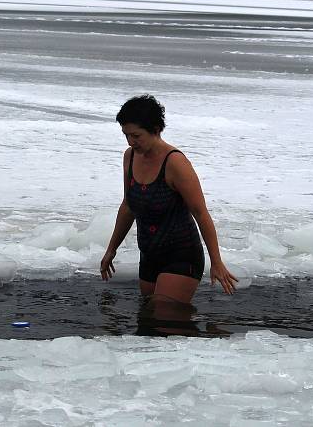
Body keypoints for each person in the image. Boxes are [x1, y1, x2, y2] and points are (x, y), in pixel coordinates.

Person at [100, 94, 237, 305]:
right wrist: (111, 249)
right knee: (148, 322)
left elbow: (200, 213)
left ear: (156, 129)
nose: (130, 141)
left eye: (136, 135)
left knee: (165, 315)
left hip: (182, 254)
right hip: (149, 254)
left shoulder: (175, 162)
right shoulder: (130, 156)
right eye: (126, 135)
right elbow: (128, 206)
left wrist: (216, 262)